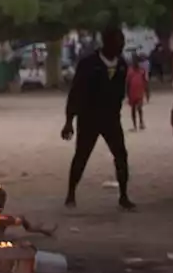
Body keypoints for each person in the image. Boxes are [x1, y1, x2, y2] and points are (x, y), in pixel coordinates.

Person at [62, 26, 134, 210]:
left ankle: (124, 196)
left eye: (122, 43)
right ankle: (71, 194)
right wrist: (69, 121)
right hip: (89, 119)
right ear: (107, 42)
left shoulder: (122, 65)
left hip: (111, 119)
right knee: (82, 156)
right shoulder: (88, 63)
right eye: (118, 42)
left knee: (121, 156)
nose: (121, 46)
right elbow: (75, 92)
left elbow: (120, 92)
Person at [126, 58, 149, 132]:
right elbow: (128, 83)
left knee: (139, 108)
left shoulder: (142, 71)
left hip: (139, 92)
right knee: (133, 110)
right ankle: (135, 125)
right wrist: (127, 94)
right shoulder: (130, 71)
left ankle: (141, 123)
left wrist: (147, 92)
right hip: (132, 93)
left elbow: (145, 82)